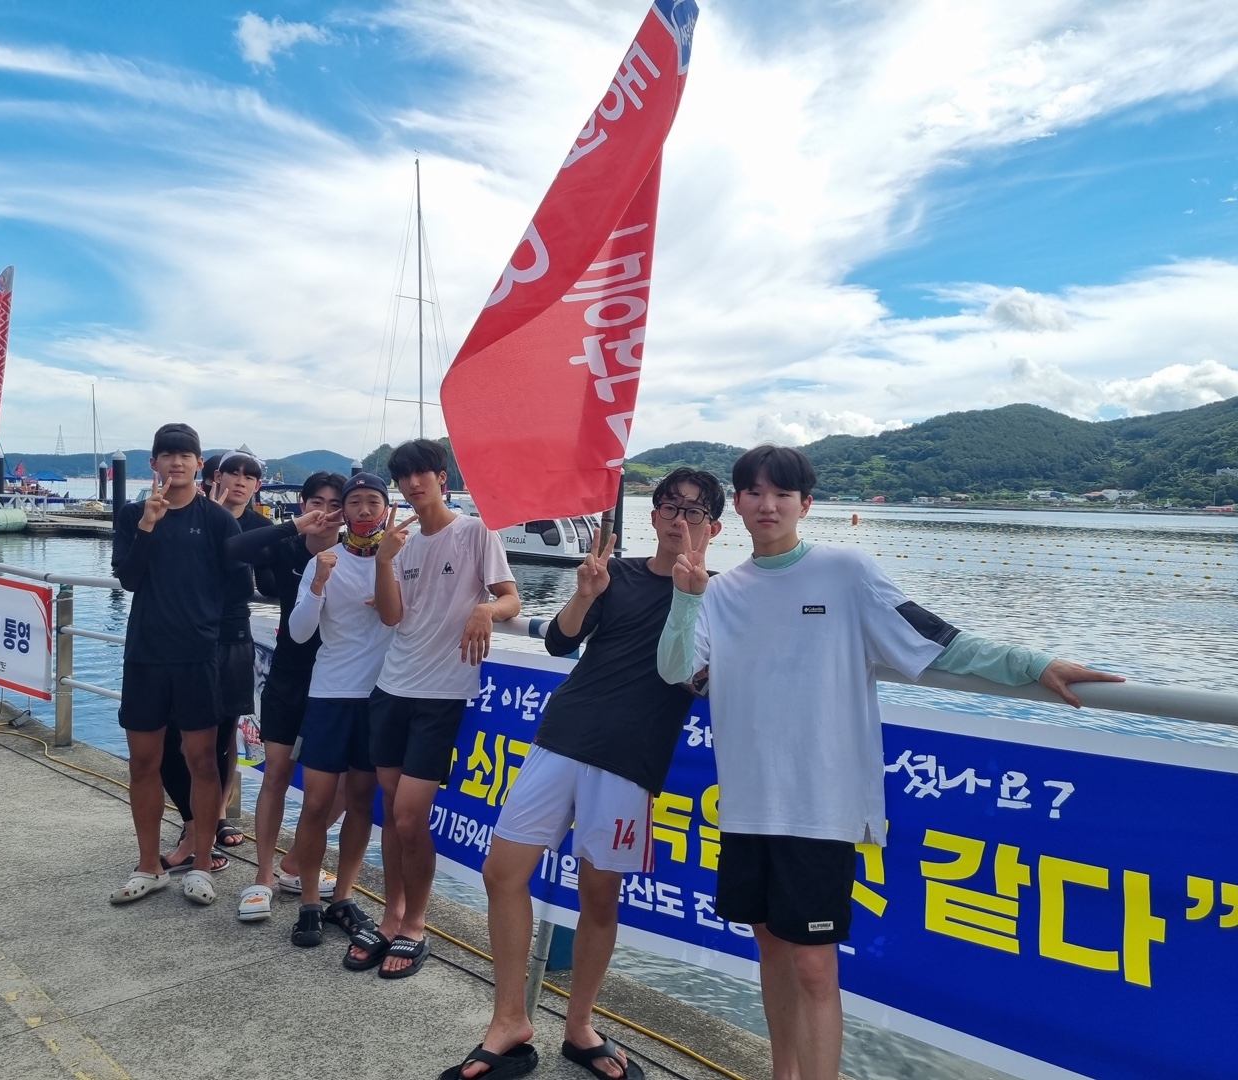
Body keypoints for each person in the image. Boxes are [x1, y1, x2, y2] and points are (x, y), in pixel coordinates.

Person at [657, 445, 1123, 1080]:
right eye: (755, 492)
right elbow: (676, 670)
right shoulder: (719, 590)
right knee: (769, 946)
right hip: (747, 800)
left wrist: (1032, 664)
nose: (768, 505)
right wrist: (686, 599)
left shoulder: (847, 572)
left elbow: (939, 641)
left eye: (783, 494)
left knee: (814, 963)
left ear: (805, 505)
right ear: (736, 503)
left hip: (822, 803)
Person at [445, 468, 725, 1080]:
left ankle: (579, 1026)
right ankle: (510, 1019)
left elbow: (694, 678)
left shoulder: (720, 596)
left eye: (695, 511)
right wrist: (585, 592)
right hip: (563, 736)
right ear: (653, 515)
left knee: (599, 896)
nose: (680, 520)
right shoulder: (615, 572)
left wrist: (693, 595)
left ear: (714, 527)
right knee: (502, 872)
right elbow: (559, 642)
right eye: (670, 507)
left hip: (630, 761)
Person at [357, 439, 519, 978]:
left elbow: (511, 597)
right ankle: (391, 915)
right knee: (390, 808)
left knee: (409, 816)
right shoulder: (399, 542)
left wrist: (485, 610)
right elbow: (391, 617)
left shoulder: (474, 532)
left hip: (442, 694)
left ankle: (415, 922)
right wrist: (384, 560)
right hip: (392, 686)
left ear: (441, 478)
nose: (412, 484)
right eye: (404, 477)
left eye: (422, 473)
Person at [109, 423, 245, 907]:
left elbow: (240, 587)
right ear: (153, 463)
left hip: (198, 657)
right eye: (167, 455)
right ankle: (148, 864)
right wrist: (148, 524)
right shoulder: (132, 515)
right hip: (145, 654)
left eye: (185, 455)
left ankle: (203, 864)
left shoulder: (218, 520)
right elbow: (128, 579)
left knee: (203, 761)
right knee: (143, 763)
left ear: (200, 463)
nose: (176, 462)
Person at [227, 472, 349, 921]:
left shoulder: (359, 554)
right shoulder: (286, 547)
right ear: (302, 504)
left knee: (341, 786)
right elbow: (234, 548)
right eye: (316, 502)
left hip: (338, 682)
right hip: (288, 677)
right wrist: (296, 527)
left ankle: (296, 863)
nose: (325, 512)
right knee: (276, 774)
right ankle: (262, 876)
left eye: (334, 504)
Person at [285, 472, 395, 953]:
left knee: (361, 801)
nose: (365, 510)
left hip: (382, 694)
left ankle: (343, 896)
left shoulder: (401, 558)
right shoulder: (323, 560)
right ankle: (310, 899)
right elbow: (300, 633)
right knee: (316, 802)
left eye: (374, 501)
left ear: (386, 509)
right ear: (343, 511)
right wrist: (318, 584)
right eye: (356, 503)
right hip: (330, 693)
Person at [157, 449, 268, 871]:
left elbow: (266, 581)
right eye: (232, 473)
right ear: (214, 475)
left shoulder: (260, 527)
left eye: (248, 476)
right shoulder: (191, 514)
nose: (239, 481)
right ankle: (192, 823)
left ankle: (216, 816)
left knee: (222, 736)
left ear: (257, 486)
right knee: (170, 739)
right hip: (181, 638)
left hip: (231, 636)